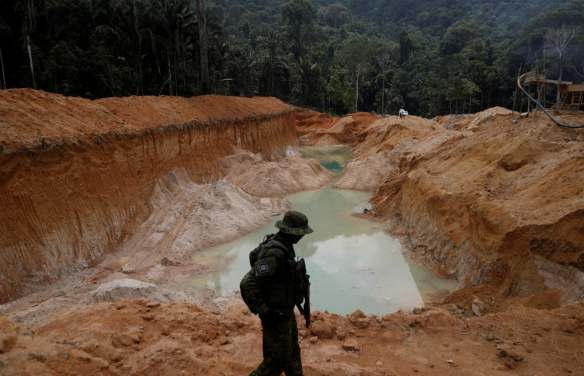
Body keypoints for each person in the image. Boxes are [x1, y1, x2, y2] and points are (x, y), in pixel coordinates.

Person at [241, 210, 313, 376]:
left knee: (292, 354)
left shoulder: (285, 246)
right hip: (275, 315)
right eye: (300, 232)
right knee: (274, 363)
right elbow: (247, 283)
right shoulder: (275, 253)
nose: (302, 236)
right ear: (292, 232)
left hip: (285, 312)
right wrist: (263, 309)